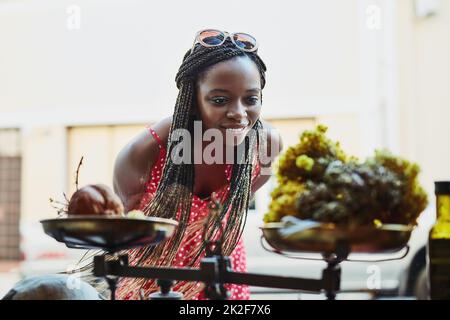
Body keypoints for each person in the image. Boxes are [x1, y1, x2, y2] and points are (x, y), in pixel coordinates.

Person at [113, 29, 283, 300]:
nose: (239, 114)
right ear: (193, 98)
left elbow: (247, 191)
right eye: (219, 100)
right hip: (154, 288)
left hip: (225, 283)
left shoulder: (265, 144)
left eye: (251, 99)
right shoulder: (147, 151)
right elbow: (128, 227)